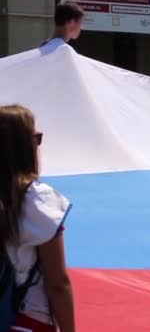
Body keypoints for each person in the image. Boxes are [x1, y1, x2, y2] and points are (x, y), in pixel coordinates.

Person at [0, 105, 75, 332]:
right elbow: (57, 284)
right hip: (27, 320)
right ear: (24, 145)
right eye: (36, 138)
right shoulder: (38, 201)